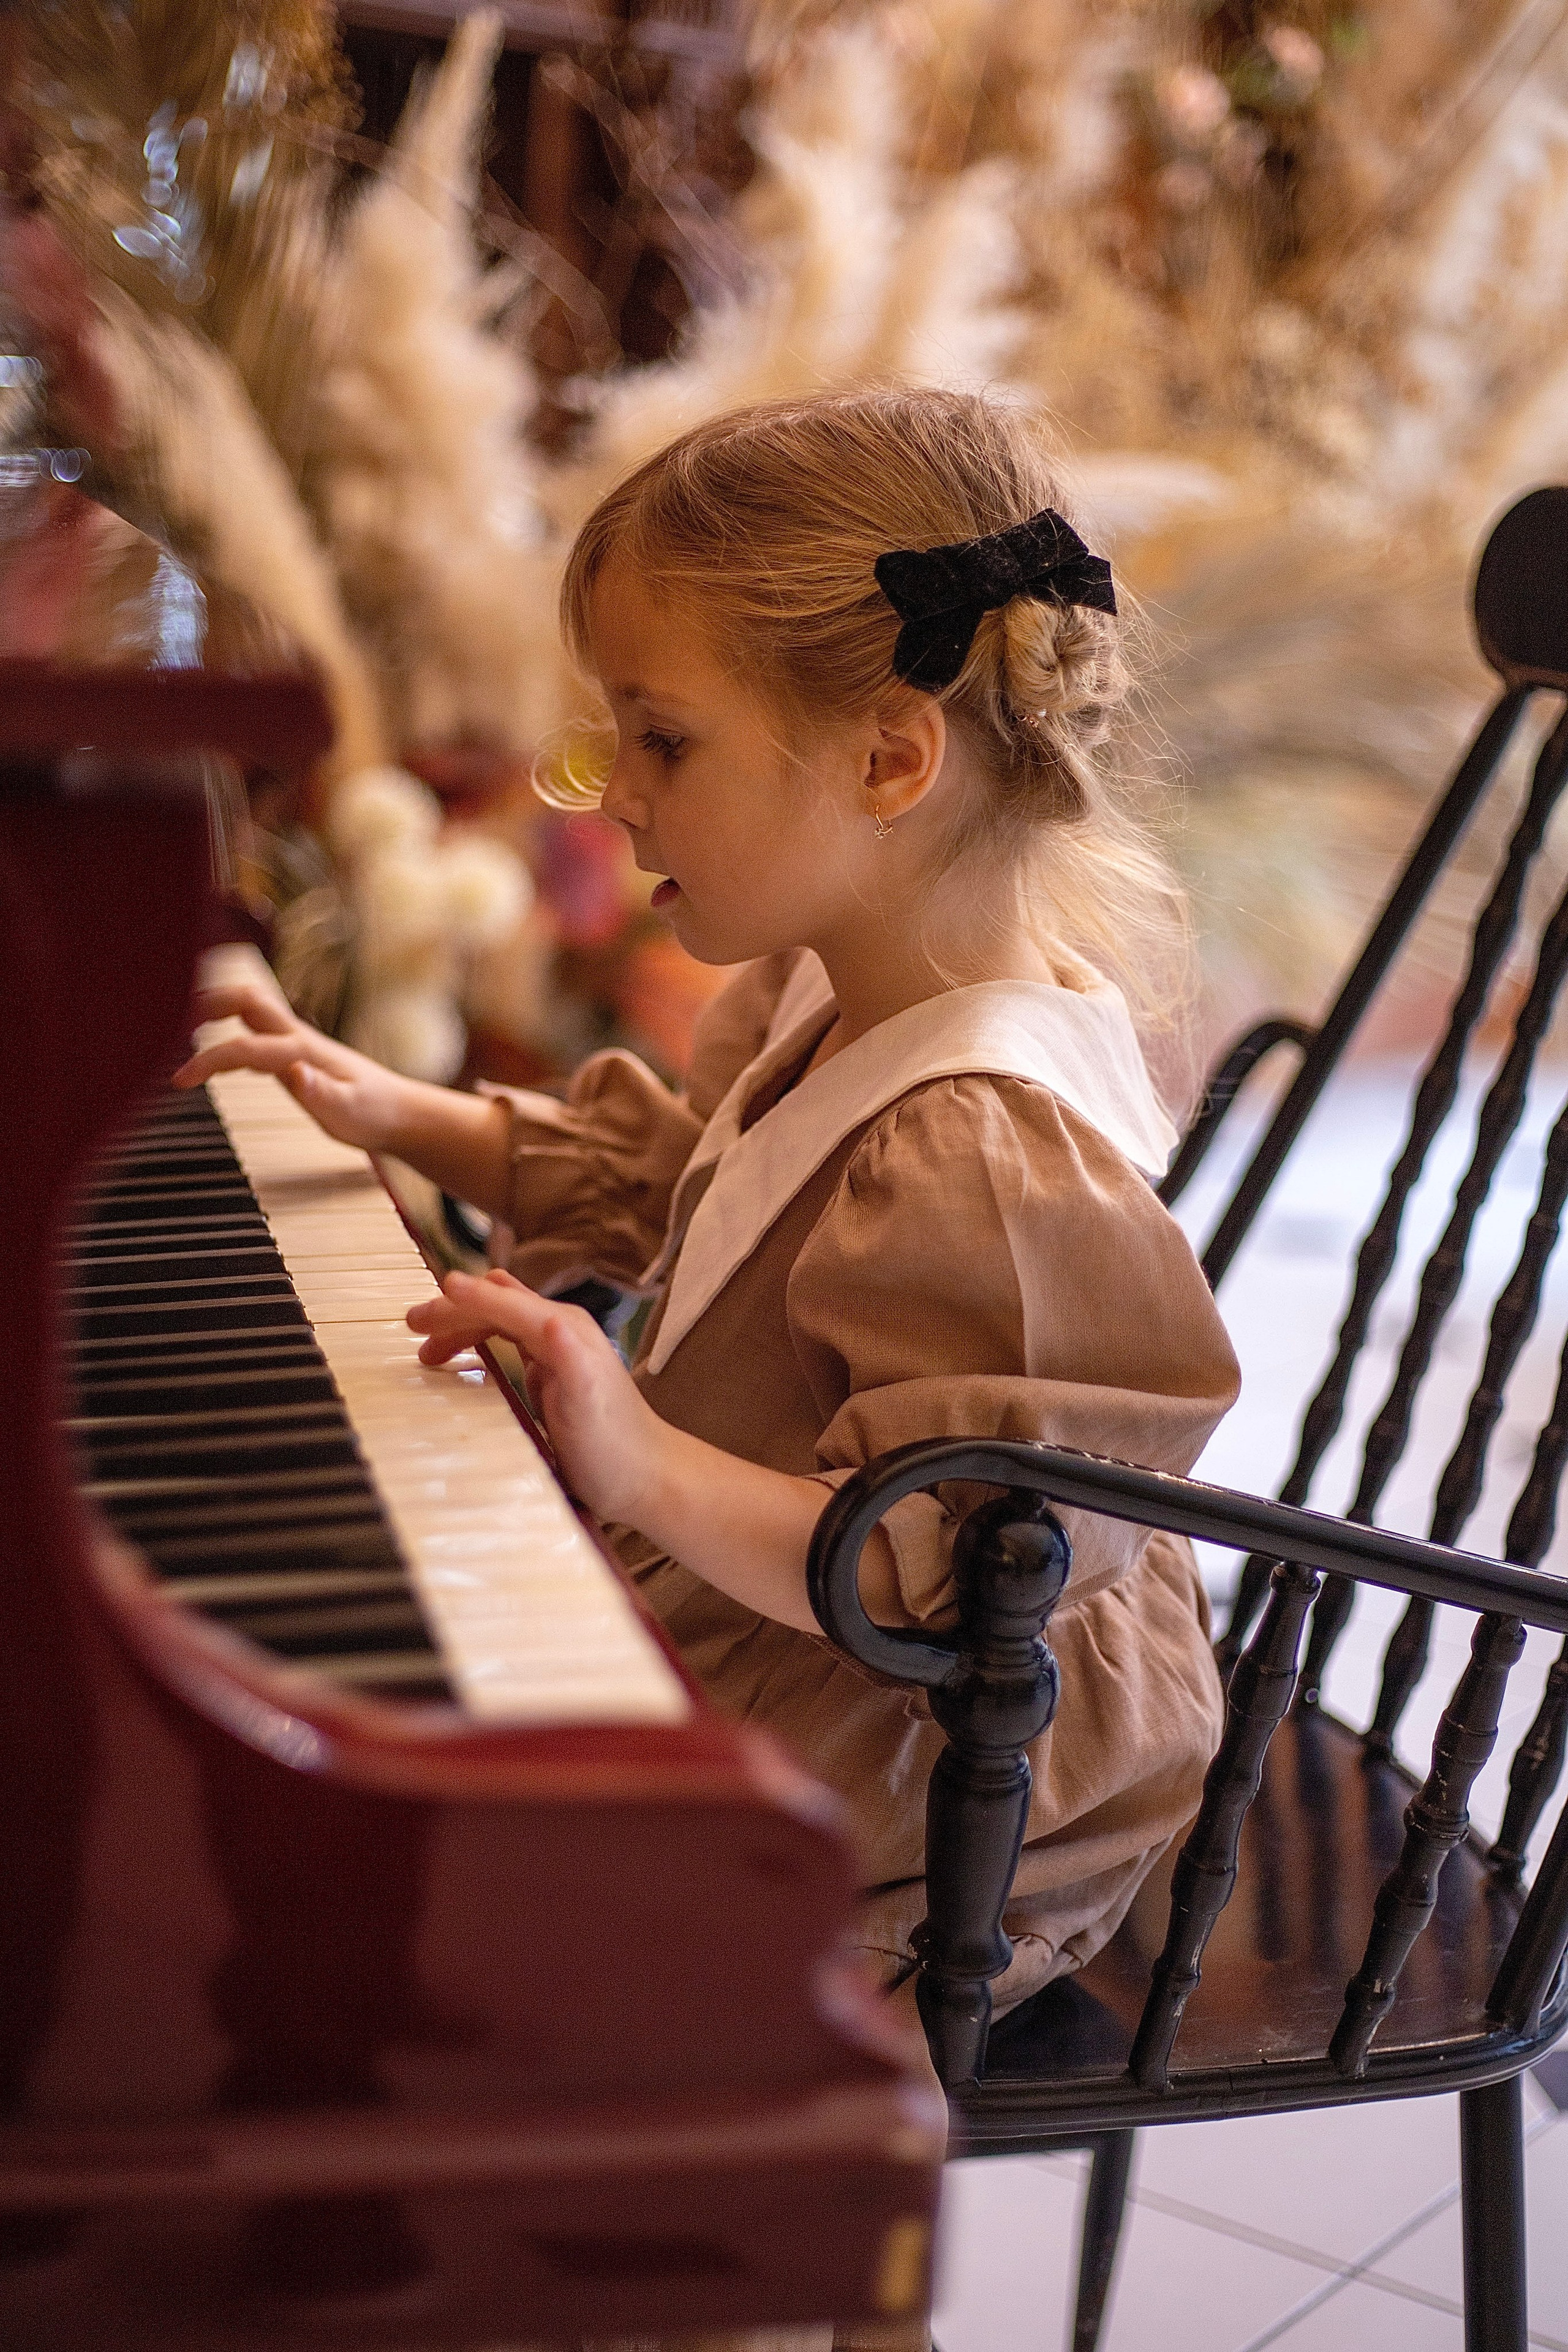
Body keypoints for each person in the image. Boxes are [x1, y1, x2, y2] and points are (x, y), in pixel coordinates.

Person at [178, 386, 1241, 2352]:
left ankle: (665, 2252)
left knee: (478, 1909)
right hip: (818, 1642)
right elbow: (706, 1194)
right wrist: (412, 1111)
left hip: (945, 1774)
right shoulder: (853, 984)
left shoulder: (987, 1147)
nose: (607, 791)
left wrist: (637, 1460)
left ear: (892, 754)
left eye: (657, 739)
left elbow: (965, 1555)